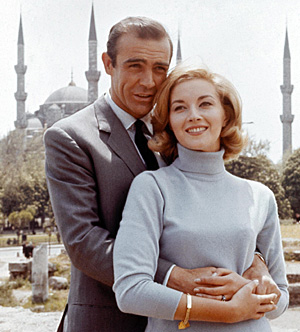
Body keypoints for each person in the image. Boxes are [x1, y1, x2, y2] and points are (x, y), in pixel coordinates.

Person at [44, 16, 280, 332]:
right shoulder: (72, 137)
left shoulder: (175, 131)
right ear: (108, 64)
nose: (149, 81)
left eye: (159, 69)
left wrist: (257, 262)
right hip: (113, 317)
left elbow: (220, 211)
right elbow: (84, 241)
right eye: (135, 66)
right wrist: (174, 276)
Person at [113, 66, 289, 331]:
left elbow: (281, 300)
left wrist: (245, 286)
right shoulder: (152, 188)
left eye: (205, 104)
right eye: (180, 108)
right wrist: (228, 311)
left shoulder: (260, 196)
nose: (193, 116)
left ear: (225, 115)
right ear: (169, 121)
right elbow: (131, 292)